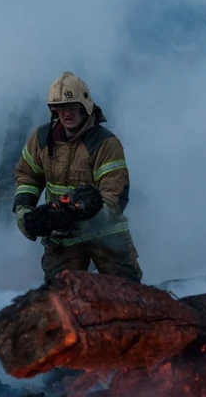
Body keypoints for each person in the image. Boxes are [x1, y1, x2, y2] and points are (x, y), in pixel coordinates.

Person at [13, 71, 142, 283]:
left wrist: (79, 221)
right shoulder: (41, 138)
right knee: (61, 301)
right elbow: (28, 176)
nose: (66, 114)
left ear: (85, 107)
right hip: (62, 240)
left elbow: (114, 195)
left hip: (106, 237)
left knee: (127, 298)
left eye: (72, 107)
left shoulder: (105, 143)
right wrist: (23, 210)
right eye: (60, 108)